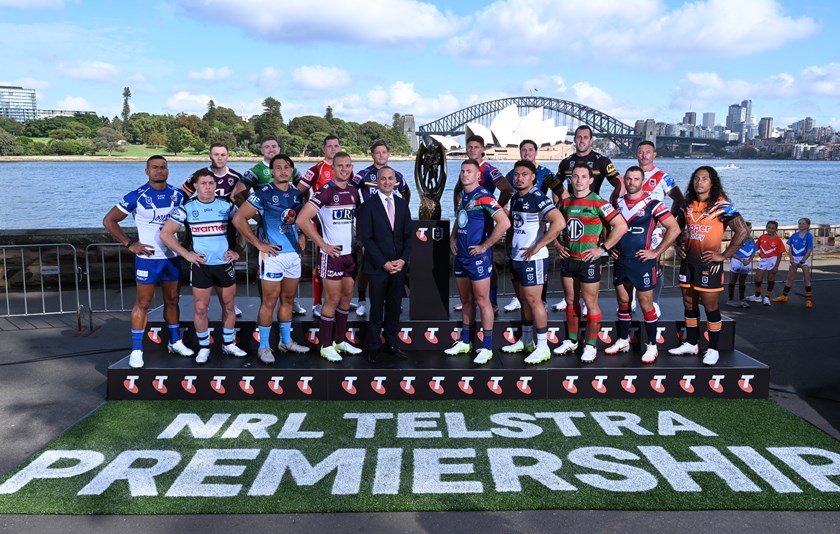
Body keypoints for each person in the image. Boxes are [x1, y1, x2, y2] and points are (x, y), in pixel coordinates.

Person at [102, 155, 193, 369]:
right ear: (147, 171)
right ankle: (136, 349)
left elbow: (190, 219)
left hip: (171, 258)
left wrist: (187, 243)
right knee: (143, 303)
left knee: (172, 301)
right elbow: (109, 220)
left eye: (163, 167)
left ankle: (175, 342)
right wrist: (129, 243)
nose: (159, 171)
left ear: (168, 170)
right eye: (155, 167)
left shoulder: (178, 195)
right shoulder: (137, 195)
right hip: (148, 259)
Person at [160, 169, 246, 364]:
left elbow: (244, 227)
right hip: (201, 266)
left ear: (216, 186)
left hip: (224, 264)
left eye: (211, 183)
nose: (207, 187)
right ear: (196, 186)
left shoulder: (227, 206)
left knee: (229, 307)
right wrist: (186, 254)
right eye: (203, 183)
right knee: (200, 309)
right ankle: (204, 347)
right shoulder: (187, 208)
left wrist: (238, 251)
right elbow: (165, 234)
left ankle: (228, 344)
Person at [233, 154, 311, 364]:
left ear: (292, 171)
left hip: (293, 255)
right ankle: (264, 346)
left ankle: (285, 341)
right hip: (273, 256)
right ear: (272, 171)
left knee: (288, 299)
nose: (283, 171)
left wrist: (303, 235)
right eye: (278, 167)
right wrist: (258, 244)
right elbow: (239, 219)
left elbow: (302, 219)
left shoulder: (297, 194)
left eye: (287, 167)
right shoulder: (263, 193)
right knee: (269, 301)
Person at [669, 166, 750, 366]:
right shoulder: (687, 204)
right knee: (689, 303)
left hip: (709, 264)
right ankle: (691, 343)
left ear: (712, 182)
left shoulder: (722, 206)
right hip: (688, 263)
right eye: (696, 178)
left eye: (704, 178)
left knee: (710, 306)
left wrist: (723, 255)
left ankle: (713, 348)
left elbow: (742, 231)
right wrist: (677, 245)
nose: (699, 182)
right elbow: (676, 227)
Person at [605, 166, 680, 364]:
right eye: (628, 179)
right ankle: (623, 340)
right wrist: (608, 246)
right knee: (623, 302)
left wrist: (656, 252)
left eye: (636, 179)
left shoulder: (653, 204)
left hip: (643, 262)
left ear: (642, 181)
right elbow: (605, 225)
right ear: (624, 181)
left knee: (646, 304)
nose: (632, 182)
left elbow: (674, 228)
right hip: (621, 260)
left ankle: (652, 346)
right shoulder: (616, 203)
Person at [553, 163, 627, 363]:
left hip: (589, 262)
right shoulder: (565, 202)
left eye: (583, 177)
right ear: (571, 180)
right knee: (570, 301)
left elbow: (621, 225)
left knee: (590, 303)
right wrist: (557, 245)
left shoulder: (598, 202)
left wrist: (602, 248)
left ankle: (591, 345)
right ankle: (572, 340)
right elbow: (553, 225)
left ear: (591, 180)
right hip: (569, 260)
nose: (579, 180)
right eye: (575, 176)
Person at [546, 125, 625, 313]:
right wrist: (559, 204)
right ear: (574, 139)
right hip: (571, 209)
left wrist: (613, 201)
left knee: (592, 254)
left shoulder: (602, 160)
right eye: (579, 137)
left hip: (594, 211)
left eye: (585, 137)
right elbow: (556, 186)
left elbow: (619, 183)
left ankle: (588, 300)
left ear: (591, 140)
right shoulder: (566, 163)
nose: (582, 140)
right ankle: (571, 298)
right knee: (570, 254)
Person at [296, 151, 362, 362]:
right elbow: (302, 219)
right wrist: (322, 244)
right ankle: (326, 346)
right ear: (332, 168)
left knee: (346, 298)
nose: (344, 169)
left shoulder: (354, 191)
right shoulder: (325, 191)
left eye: (348, 166)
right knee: (332, 299)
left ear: (352, 168)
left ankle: (340, 341)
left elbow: (356, 219)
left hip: (349, 254)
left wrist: (359, 241)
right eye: (340, 165)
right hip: (331, 255)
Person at [445, 159, 511, 365]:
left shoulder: (484, 195)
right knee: (466, 301)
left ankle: (487, 347)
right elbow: (460, 218)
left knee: (483, 301)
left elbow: (504, 222)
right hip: (461, 256)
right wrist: (453, 237)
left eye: (469, 171)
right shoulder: (462, 196)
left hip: (478, 258)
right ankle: (466, 342)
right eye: (463, 171)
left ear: (477, 175)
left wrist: (485, 246)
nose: (465, 174)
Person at [500, 160, 565, 364]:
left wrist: (538, 245)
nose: (519, 178)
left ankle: (543, 347)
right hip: (517, 257)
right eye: (517, 174)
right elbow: (514, 226)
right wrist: (509, 245)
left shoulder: (538, 197)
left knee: (534, 301)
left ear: (533, 177)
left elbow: (559, 222)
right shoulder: (516, 198)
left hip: (533, 258)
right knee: (524, 300)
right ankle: (526, 340)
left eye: (524, 174)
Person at [238, 135, 306, 316]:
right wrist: (257, 215)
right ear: (262, 150)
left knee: (287, 294)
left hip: (290, 234)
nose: (271, 149)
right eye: (267, 147)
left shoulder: (293, 171)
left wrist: (303, 233)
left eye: (274, 146)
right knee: (268, 287)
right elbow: (237, 194)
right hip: (268, 229)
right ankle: (265, 305)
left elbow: (303, 196)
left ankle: (292, 302)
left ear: (279, 148)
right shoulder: (255, 171)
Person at [180, 142, 247, 318]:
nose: (219, 158)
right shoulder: (199, 175)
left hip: (227, 225)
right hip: (201, 224)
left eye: (223, 154)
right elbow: (182, 197)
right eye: (216, 154)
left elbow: (245, 202)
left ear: (228, 156)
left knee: (226, 260)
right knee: (201, 260)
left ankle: (229, 303)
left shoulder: (236, 177)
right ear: (210, 155)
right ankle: (204, 304)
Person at [357, 165, 413, 363]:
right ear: (377, 181)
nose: (387, 182)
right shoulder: (368, 206)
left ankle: (392, 344)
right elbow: (367, 238)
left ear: (395, 182)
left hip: (398, 267)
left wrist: (403, 260)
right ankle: (374, 347)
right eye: (383, 178)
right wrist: (384, 263)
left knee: (394, 307)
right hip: (377, 267)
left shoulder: (402, 204)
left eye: (391, 178)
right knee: (376, 309)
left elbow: (408, 236)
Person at [452, 135, 514, 313]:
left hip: (482, 218)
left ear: (482, 150)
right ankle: (469, 299)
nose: (472, 150)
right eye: (469, 147)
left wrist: (496, 208)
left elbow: (507, 189)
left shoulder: (488, 169)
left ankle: (491, 301)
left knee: (487, 260)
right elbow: (458, 190)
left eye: (476, 147)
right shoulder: (466, 168)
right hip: (467, 217)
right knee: (468, 258)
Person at [350, 139, 412, 318]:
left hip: (390, 222)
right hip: (369, 223)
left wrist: (402, 209)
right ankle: (362, 300)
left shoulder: (396, 175)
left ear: (388, 154)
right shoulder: (363, 174)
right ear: (372, 155)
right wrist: (359, 210)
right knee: (366, 263)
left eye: (384, 152)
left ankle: (392, 300)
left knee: (394, 261)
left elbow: (406, 192)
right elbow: (351, 192)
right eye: (377, 152)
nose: (381, 155)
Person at [503, 139, 563, 313]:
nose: (527, 153)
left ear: (536, 152)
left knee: (535, 296)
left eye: (530, 150)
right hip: (520, 223)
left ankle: (541, 302)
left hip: (538, 220)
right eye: (524, 150)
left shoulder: (546, 173)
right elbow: (504, 198)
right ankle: (519, 300)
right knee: (523, 291)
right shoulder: (512, 174)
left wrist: (552, 213)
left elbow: (561, 194)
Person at [635, 140, 684, 312]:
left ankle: (655, 301)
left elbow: (679, 198)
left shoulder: (662, 177)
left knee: (653, 265)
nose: (644, 155)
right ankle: (632, 300)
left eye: (648, 152)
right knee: (632, 264)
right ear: (636, 154)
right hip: (634, 229)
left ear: (654, 155)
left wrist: (667, 219)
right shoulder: (631, 175)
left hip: (653, 230)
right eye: (641, 152)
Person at [297, 135, 342, 318]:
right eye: (329, 146)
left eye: (336, 146)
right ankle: (317, 303)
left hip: (340, 222)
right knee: (321, 262)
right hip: (322, 222)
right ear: (324, 149)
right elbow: (298, 192)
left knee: (341, 259)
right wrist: (309, 211)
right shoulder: (316, 169)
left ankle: (338, 300)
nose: (333, 149)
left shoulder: (344, 168)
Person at [773, 217, 814, 308]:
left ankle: (809, 299)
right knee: (790, 278)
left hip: (803, 259)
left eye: (803, 223)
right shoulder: (794, 235)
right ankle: (784, 296)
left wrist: (802, 261)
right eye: (799, 223)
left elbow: (809, 250)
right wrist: (791, 259)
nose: (801, 225)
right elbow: (790, 248)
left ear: (808, 225)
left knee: (807, 279)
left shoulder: (809, 236)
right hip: (794, 259)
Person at [746, 220, 785, 306]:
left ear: (776, 229)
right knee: (757, 278)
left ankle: (767, 297)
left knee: (770, 278)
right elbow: (755, 247)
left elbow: (780, 254)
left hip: (773, 259)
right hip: (763, 259)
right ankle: (757, 296)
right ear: (766, 228)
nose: (770, 229)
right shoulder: (762, 237)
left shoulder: (778, 240)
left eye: (773, 228)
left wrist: (776, 266)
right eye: (769, 227)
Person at [726, 222, 757, 308]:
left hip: (746, 262)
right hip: (737, 261)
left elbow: (753, 252)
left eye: (751, 228)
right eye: (748, 228)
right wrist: (741, 260)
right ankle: (730, 299)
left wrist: (749, 260)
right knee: (733, 280)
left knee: (742, 281)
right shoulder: (737, 239)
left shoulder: (751, 240)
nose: (750, 230)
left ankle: (742, 300)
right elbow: (731, 252)